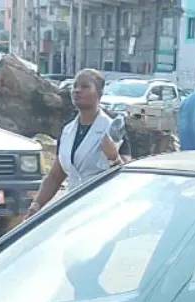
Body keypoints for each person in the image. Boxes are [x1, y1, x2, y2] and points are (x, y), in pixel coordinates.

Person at [26, 69, 125, 216]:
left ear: (99, 93)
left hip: (103, 212)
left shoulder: (112, 129)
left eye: (85, 87)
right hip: (74, 210)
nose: (77, 91)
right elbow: (55, 176)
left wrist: (114, 158)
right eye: (75, 86)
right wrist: (36, 205)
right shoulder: (67, 131)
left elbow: (126, 177)